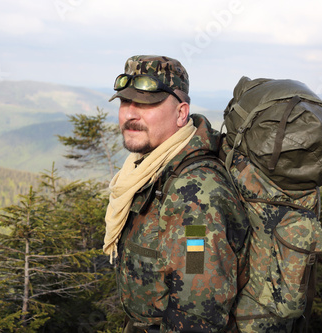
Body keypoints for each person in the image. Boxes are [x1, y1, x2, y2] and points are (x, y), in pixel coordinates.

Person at [103, 55, 249, 332]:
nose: (130, 114)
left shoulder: (194, 194)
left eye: (147, 103)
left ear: (181, 113)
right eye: (125, 101)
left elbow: (198, 309)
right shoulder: (148, 169)